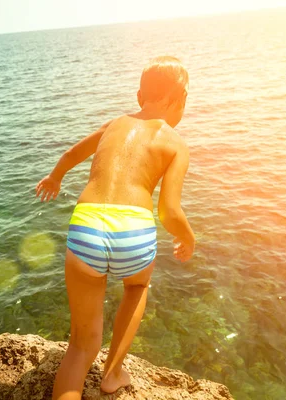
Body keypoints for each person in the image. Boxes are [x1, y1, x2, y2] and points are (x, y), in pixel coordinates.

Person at [35, 56, 196, 400]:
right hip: (133, 232)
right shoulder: (176, 143)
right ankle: (112, 373)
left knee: (80, 347)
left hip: (87, 226)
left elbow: (71, 154)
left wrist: (54, 177)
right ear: (180, 99)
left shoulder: (114, 124)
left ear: (140, 96)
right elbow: (169, 211)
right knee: (136, 288)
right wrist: (187, 238)